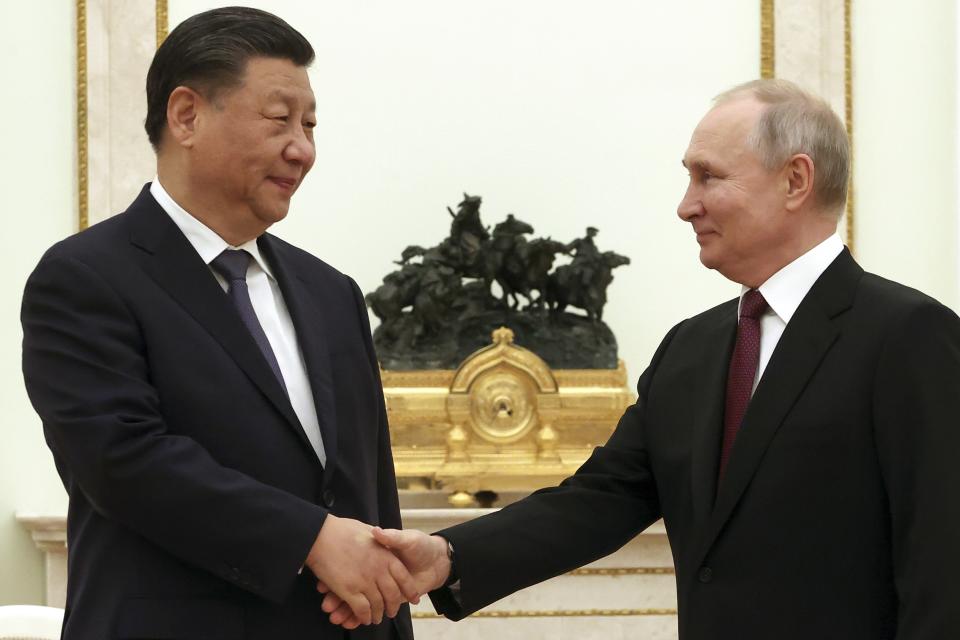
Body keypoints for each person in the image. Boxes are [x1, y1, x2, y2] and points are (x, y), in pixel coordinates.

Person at [322, 79, 960, 638]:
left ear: (795, 180)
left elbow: (943, 569)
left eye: (709, 176)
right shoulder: (694, 347)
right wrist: (446, 555)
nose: (686, 205)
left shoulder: (909, 337)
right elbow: (600, 500)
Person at [21, 7, 416, 639]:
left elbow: (369, 496)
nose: (303, 149)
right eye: (280, 120)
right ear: (186, 115)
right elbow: (123, 462)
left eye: (311, 125)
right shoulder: (86, 278)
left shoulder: (331, 292)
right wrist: (311, 539)